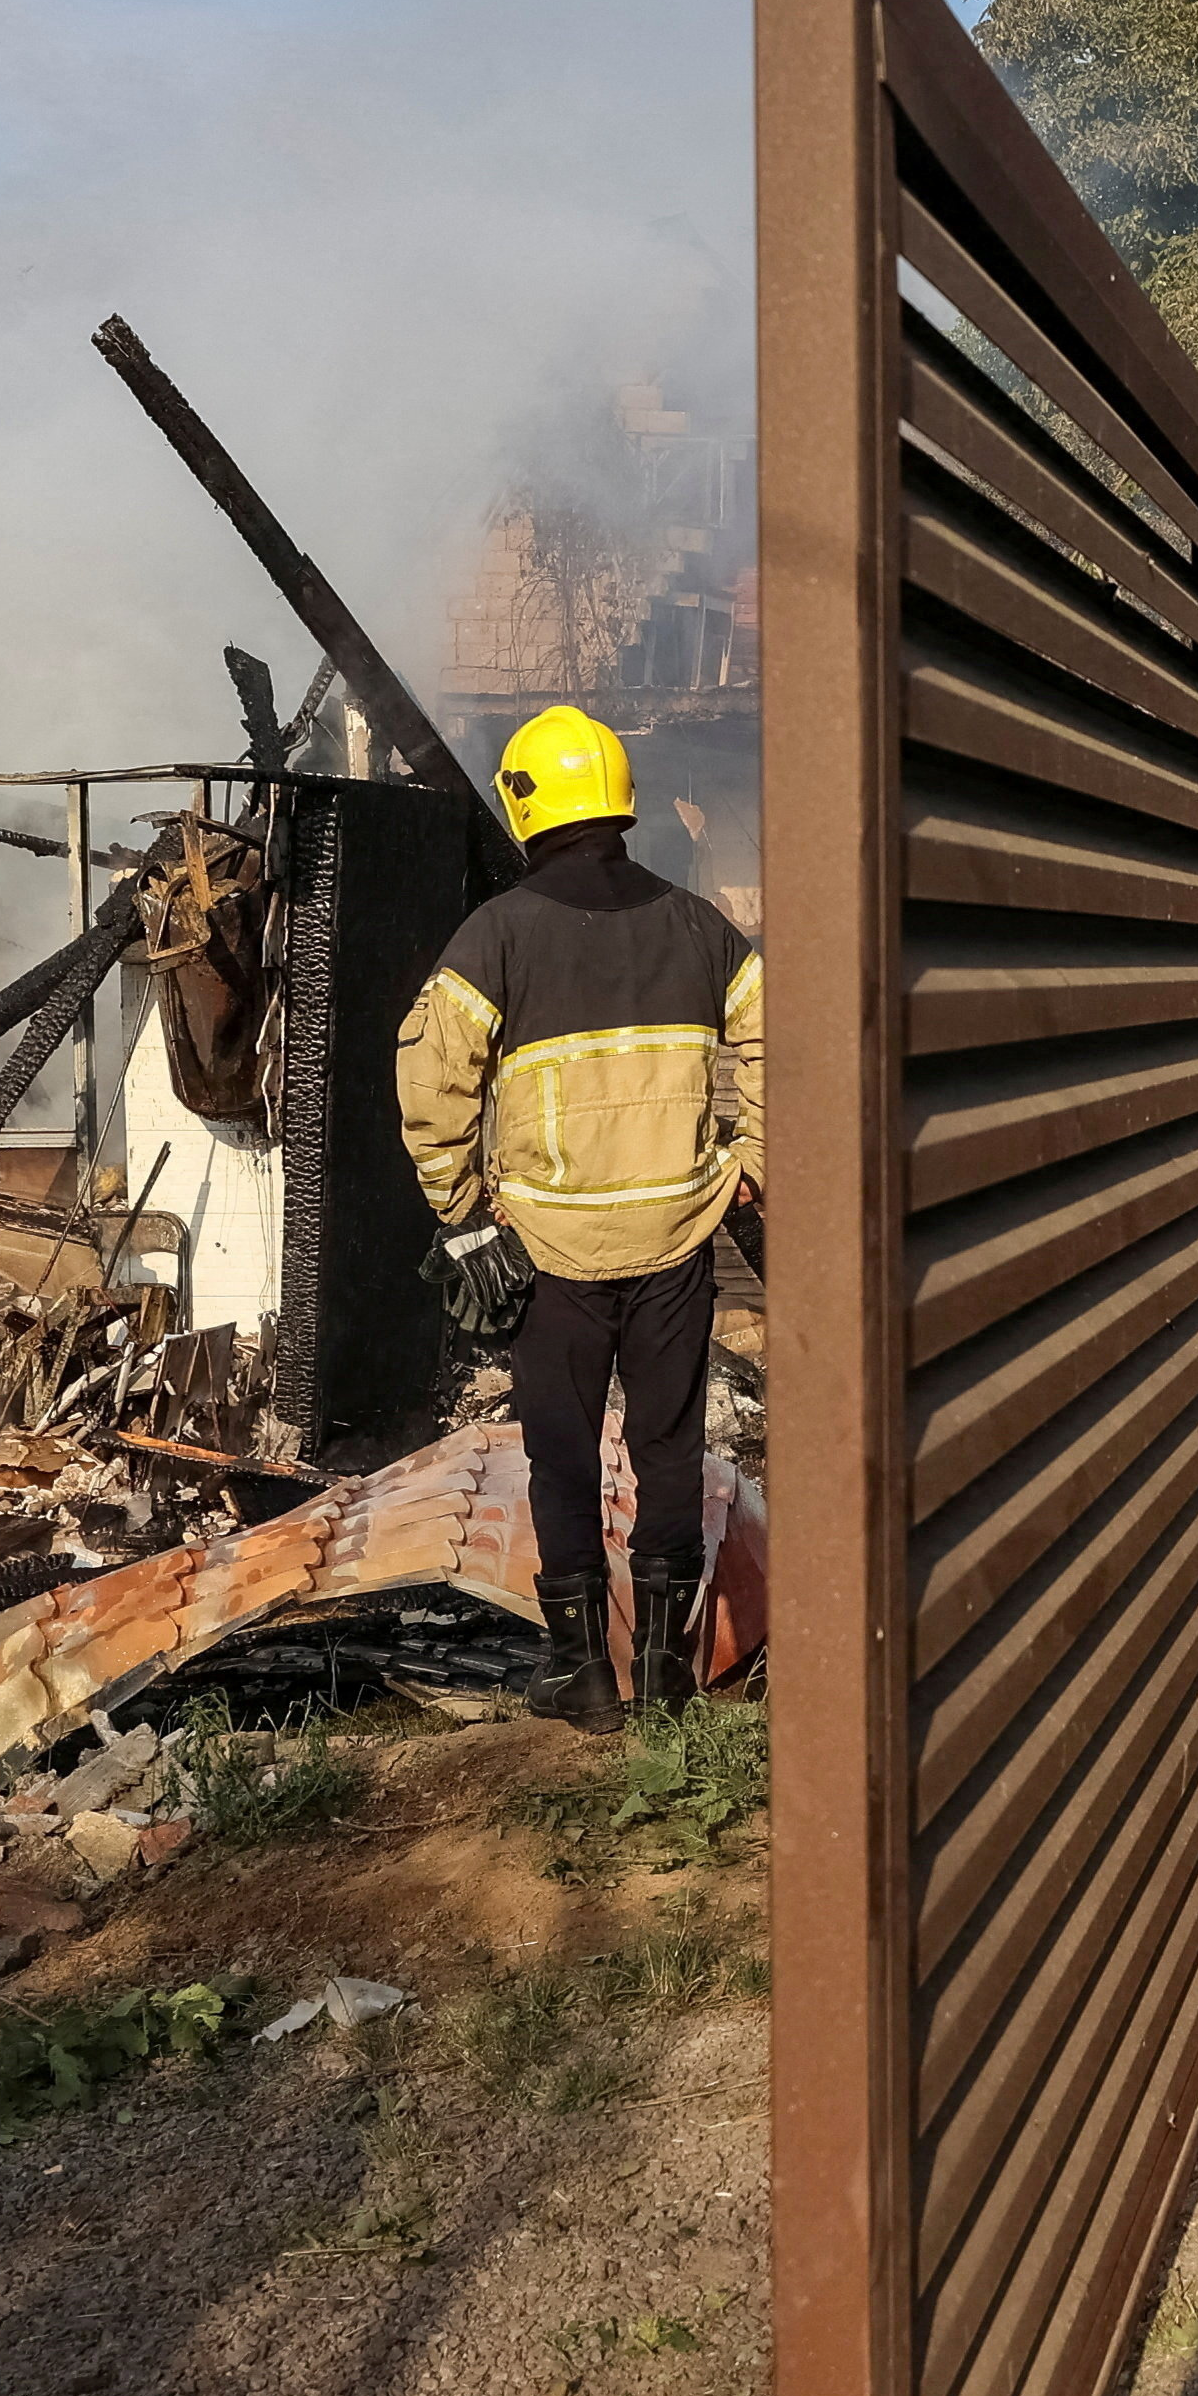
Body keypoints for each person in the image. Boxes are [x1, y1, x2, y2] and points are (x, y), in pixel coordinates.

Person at [395, 701, 762, 1730]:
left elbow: (430, 1083)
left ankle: (581, 1677)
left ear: (525, 805)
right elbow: (779, 1035)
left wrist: (462, 1210)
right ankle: (667, 1668)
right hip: (676, 1244)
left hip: (548, 1252)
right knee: (669, 1453)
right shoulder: (700, 925)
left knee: (561, 1455)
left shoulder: (497, 934)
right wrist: (753, 1165)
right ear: (619, 800)